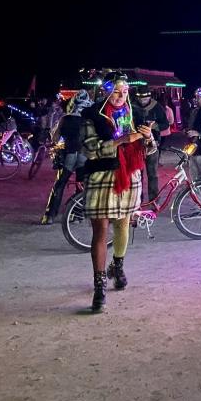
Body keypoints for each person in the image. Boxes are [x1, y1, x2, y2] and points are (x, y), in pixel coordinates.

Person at [79, 73, 155, 311]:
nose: (121, 96)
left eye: (124, 92)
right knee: (100, 231)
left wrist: (148, 138)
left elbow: (149, 151)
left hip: (129, 177)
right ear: (106, 92)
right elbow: (91, 150)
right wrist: (122, 139)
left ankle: (118, 266)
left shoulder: (133, 113)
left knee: (123, 225)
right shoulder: (92, 115)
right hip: (102, 176)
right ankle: (99, 286)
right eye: (116, 92)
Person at [40, 90, 93, 224]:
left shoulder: (65, 118)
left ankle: (50, 215)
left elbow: (56, 138)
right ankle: (78, 214)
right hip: (84, 155)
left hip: (69, 153)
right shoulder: (90, 119)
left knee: (60, 184)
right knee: (81, 185)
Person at [131, 86, 170, 201]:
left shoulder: (157, 107)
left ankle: (154, 200)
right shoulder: (132, 106)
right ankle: (138, 200)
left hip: (152, 144)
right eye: (140, 99)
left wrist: (154, 126)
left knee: (152, 173)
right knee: (137, 173)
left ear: (149, 97)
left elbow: (166, 124)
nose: (143, 101)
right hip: (136, 144)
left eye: (145, 98)